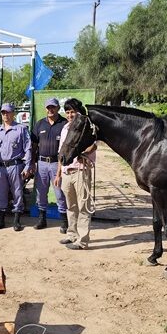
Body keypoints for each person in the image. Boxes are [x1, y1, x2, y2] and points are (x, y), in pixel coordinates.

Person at [55, 99, 97, 250]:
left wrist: (84, 153)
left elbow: (94, 145)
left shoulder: (87, 126)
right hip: (67, 172)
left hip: (81, 170)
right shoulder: (65, 128)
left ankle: (83, 240)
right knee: (71, 205)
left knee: (83, 206)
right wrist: (58, 173)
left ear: (79, 112)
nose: (70, 115)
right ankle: (72, 234)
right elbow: (61, 153)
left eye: (73, 111)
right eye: (67, 112)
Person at [0, 103, 31, 231]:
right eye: (3, 113)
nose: (5, 115)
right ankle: (1, 220)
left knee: (17, 192)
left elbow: (28, 148)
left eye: (8, 112)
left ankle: (17, 220)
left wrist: (27, 166)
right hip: (0, 167)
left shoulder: (21, 129)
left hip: (15, 166)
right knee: (0, 193)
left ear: (13, 113)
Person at [31, 97, 68, 232]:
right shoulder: (40, 124)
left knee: (59, 193)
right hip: (41, 163)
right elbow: (34, 145)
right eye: (48, 107)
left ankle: (64, 221)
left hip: (57, 163)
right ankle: (42, 220)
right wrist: (32, 163)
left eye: (53, 107)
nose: (50, 110)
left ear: (58, 108)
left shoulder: (64, 123)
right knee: (41, 193)